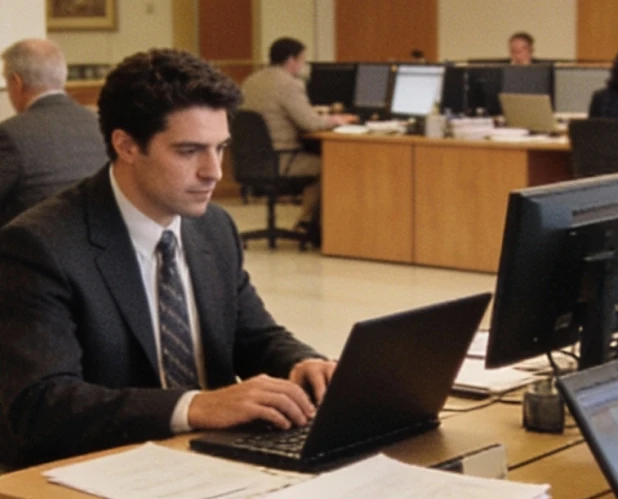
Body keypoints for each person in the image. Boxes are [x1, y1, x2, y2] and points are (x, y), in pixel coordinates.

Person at [0, 49, 337, 470]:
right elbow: (41, 406)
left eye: (220, 148)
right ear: (126, 145)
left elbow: (253, 335)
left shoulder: (213, 226)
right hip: (106, 469)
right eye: (189, 151)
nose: (214, 171)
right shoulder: (39, 245)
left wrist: (301, 363)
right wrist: (194, 407)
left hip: (212, 461)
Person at [239, 37, 355, 238]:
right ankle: (308, 223)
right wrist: (337, 119)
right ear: (291, 60)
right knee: (331, 165)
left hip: (252, 160)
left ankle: (309, 223)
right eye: (302, 60)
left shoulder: (251, 81)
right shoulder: (288, 84)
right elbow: (311, 123)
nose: (303, 66)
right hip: (282, 159)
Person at [0, 38, 107, 228]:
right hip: (100, 239)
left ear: (17, 82)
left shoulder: (10, 134)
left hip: (32, 242)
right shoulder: (101, 123)